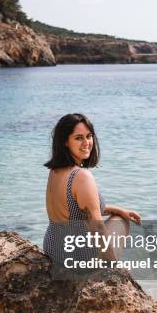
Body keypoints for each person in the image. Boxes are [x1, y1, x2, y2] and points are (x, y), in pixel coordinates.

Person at [43, 113, 141, 268]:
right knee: (121, 221)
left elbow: (76, 210)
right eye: (78, 138)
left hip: (53, 249)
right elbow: (97, 227)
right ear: (65, 142)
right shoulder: (81, 176)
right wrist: (114, 270)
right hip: (76, 256)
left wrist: (118, 209)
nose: (86, 143)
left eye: (89, 136)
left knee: (119, 215)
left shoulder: (55, 171)